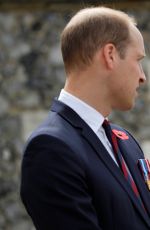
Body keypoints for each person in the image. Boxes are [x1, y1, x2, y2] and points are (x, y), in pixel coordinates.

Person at [20, 6, 150, 230]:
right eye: (137, 60)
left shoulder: (125, 141)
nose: (143, 76)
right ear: (110, 55)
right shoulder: (51, 148)